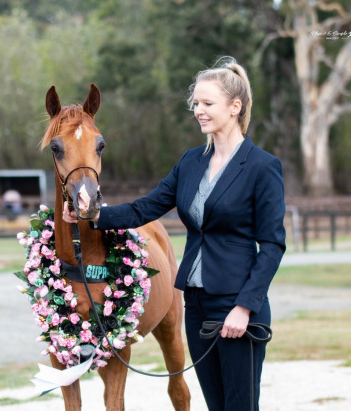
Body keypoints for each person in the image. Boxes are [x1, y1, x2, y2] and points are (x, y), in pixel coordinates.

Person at [63, 56, 286, 410]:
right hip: (196, 304)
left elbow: (273, 245)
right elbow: (143, 209)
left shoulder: (262, 167)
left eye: (207, 103)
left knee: (240, 405)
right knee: (215, 404)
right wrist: (89, 215)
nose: (198, 110)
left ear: (235, 107)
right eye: (195, 103)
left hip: (237, 303)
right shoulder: (190, 162)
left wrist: (244, 307)